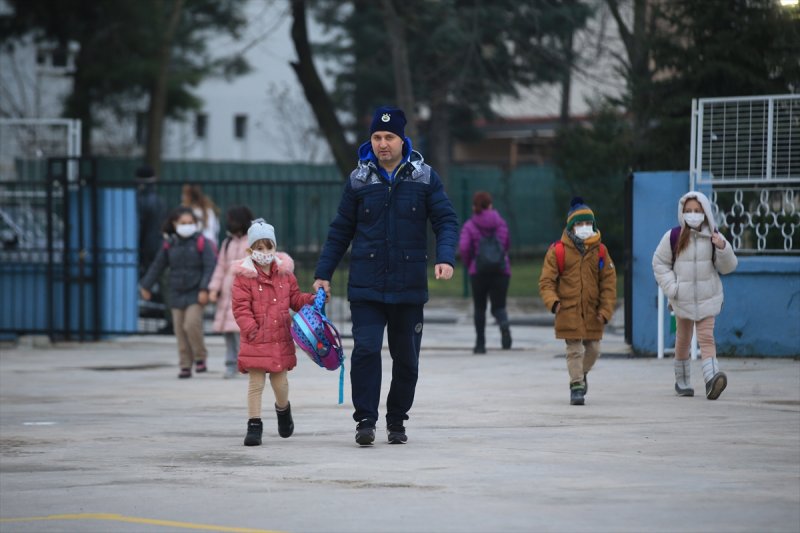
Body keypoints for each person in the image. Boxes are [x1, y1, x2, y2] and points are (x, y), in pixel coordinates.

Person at [313, 105, 459, 446]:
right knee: (365, 351)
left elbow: (446, 220)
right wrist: (323, 274)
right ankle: (365, 419)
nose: (382, 143)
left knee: (406, 358)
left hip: (408, 288)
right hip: (366, 286)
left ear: (402, 139)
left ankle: (396, 420)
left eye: (389, 137)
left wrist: (446, 256)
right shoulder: (359, 180)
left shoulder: (424, 177)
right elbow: (340, 231)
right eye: (377, 137)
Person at [231, 218, 316, 446]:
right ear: (250, 250)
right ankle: (254, 425)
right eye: (259, 248)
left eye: (269, 247)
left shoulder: (285, 274)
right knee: (256, 384)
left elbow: (295, 299)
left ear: (275, 247)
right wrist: (251, 329)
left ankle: (283, 409)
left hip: (279, 339)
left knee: (280, 384)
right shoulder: (244, 277)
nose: (265, 252)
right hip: (256, 339)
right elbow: (240, 308)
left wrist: (312, 299)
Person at [652, 191, 737, 400]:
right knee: (683, 339)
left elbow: (729, 267)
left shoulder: (714, 236)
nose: (693, 215)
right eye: (688, 211)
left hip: (708, 297)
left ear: (705, 212)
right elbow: (659, 263)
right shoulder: (673, 236)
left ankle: (711, 380)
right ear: (682, 213)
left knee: (707, 338)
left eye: (697, 211)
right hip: (683, 299)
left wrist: (723, 248)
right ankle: (682, 381)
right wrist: (673, 288)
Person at [538, 197, 617, 406]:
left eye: (588, 223)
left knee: (594, 350)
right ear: (571, 227)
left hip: (593, 312)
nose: (584, 227)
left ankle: (581, 376)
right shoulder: (558, 251)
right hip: (568, 310)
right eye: (580, 224)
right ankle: (576, 387)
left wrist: (606, 310)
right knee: (575, 350)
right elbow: (546, 281)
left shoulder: (601, 251)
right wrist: (554, 303)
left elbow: (609, 283)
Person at [139, 206, 216, 378]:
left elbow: (210, 266)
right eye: (183, 223)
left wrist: (204, 288)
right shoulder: (169, 244)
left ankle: (200, 357)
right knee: (180, 331)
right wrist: (146, 286)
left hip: (196, 292)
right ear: (174, 224)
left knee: (191, 325)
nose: (187, 226)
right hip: (176, 292)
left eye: (190, 223)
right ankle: (185, 365)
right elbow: (157, 266)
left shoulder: (201, 242)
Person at [458, 191, 512, 354]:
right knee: (499, 306)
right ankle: (503, 324)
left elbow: (464, 248)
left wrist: (470, 265)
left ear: (474, 207)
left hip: (479, 271)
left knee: (480, 308)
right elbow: (506, 244)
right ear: (490, 205)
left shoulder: (470, 225)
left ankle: (480, 344)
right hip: (501, 270)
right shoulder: (501, 223)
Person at [208, 205, 255, 379]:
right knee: (228, 332)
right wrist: (214, 288)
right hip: (227, 295)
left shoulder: (252, 241)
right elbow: (221, 267)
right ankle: (230, 364)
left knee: (241, 332)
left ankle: (245, 362)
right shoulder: (227, 243)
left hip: (244, 293)